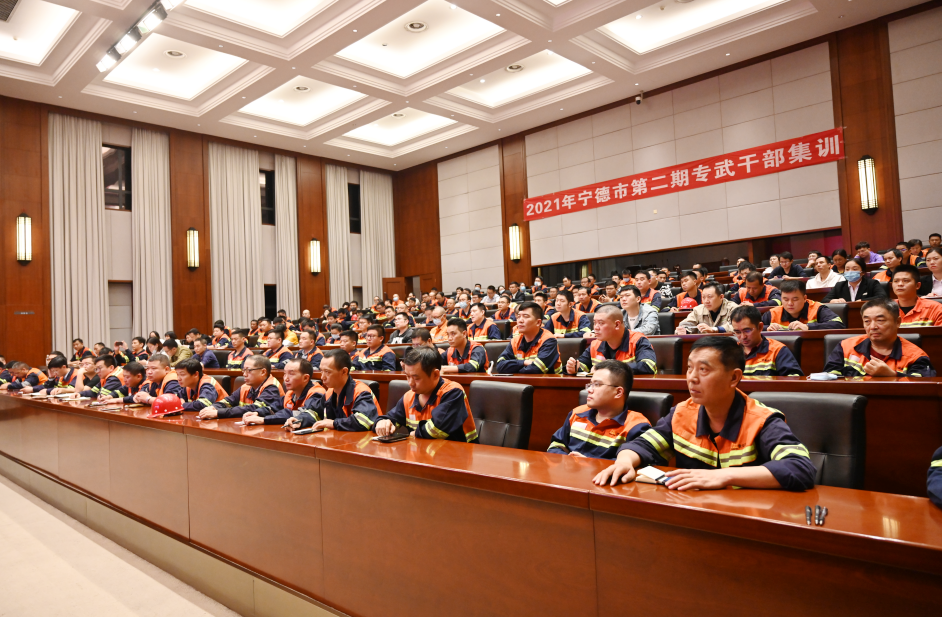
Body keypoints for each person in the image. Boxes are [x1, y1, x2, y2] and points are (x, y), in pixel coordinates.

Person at [592, 336, 815, 491]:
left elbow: (800, 468)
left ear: (734, 378)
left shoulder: (762, 420)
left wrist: (723, 476)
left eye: (704, 369)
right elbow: (644, 444)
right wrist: (624, 461)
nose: (692, 378)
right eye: (690, 368)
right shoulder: (682, 412)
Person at [549, 360, 651, 459]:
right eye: (590, 384)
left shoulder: (636, 426)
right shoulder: (577, 413)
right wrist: (570, 460)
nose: (589, 390)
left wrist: (590, 463)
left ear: (618, 392)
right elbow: (556, 444)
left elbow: (634, 463)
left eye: (597, 384)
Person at [375, 347, 478, 443]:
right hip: (422, 453)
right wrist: (383, 422)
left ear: (435, 374)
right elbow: (392, 418)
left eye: (416, 378)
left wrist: (414, 434)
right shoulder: (409, 397)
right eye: (407, 376)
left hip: (459, 453)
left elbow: (436, 429)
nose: (410, 383)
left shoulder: (453, 392)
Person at [824, 298, 936, 377]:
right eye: (867, 321)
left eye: (880, 320)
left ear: (897, 322)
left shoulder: (915, 356)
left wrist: (892, 375)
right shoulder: (845, 347)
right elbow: (829, 379)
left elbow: (923, 387)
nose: (873, 327)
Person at [287, 350, 382, 431]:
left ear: (344, 371)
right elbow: (315, 412)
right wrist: (299, 420)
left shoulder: (361, 391)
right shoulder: (330, 392)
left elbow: (363, 421)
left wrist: (333, 423)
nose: (322, 377)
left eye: (327, 372)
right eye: (321, 371)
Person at [568, 306, 657, 375]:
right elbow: (582, 365)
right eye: (594, 323)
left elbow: (648, 366)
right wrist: (574, 368)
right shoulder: (595, 344)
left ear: (617, 325)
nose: (596, 328)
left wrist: (608, 368)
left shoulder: (638, 340)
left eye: (601, 323)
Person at [248, 358, 326, 427]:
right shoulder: (290, 393)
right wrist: (257, 413)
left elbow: (300, 414)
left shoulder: (317, 393)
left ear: (305, 378)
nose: (286, 379)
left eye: (291, 374)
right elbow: (274, 407)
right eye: (285, 373)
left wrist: (264, 419)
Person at [201, 355, 284, 419]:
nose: (244, 374)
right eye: (244, 370)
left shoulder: (272, 387)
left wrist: (218, 413)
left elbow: (254, 409)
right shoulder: (245, 387)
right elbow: (228, 401)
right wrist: (213, 407)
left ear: (263, 372)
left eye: (249, 370)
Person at [730, 305, 803, 377]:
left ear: (760, 327)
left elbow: (795, 379)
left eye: (747, 330)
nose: (743, 337)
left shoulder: (777, 350)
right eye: (738, 332)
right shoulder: (730, 352)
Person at [495, 301, 561, 374]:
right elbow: (500, 366)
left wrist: (514, 368)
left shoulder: (549, 340)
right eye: (519, 316)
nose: (520, 320)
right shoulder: (515, 341)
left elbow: (536, 369)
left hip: (549, 381)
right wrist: (524, 362)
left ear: (538, 322)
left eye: (525, 316)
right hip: (522, 380)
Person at [762, 280, 845, 330]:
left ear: (805, 298)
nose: (790, 303)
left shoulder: (817, 308)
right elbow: (756, 326)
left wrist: (808, 327)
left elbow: (839, 325)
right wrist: (767, 328)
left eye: (795, 299)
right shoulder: (773, 313)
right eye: (785, 299)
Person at [822, 257, 887, 303]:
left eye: (854, 269)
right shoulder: (840, 285)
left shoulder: (872, 283)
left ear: (863, 272)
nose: (850, 271)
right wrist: (834, 301)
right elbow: (824, 300)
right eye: (847, 269)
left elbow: (883, 297)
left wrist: (862, 301)